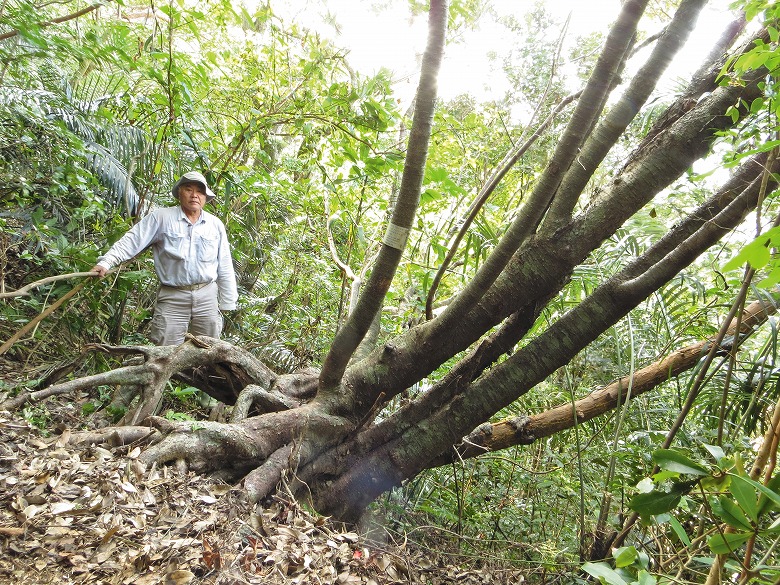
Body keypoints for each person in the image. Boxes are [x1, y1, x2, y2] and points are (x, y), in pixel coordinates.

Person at [91, 171, 238, 346]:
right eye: (188, 189)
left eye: (199, 191)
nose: (194, 195)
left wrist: (228, 301)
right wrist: (106, 262)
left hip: (207, 295)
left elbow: (225, 264)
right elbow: (133, 240)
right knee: (165, 351)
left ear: (205, 197)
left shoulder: (215, 225)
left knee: (208, 349)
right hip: (173, 296)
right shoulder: (162, 218)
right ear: (179, 193)